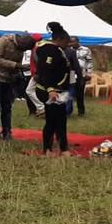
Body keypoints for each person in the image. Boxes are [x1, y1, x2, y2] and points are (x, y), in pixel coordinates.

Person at [33, 22, 72, 156]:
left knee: (60, 120)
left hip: (59, 90)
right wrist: (50, 89)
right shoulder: (49, 50)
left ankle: (63, 147)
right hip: (49, 90)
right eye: (66, 41)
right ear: (60, 39)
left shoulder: (57, 50)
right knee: (52, 120)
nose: (68, 44)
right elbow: (45, 71)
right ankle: (48, 149)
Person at [0, 32, 36, 141]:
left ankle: (7, 132)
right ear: (21, 42)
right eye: (24, 48)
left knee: (7, 107)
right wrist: (15, 65)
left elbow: (17, 62)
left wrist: (18, 71)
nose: (24, 51)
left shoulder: (21, 48)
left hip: (9, 79)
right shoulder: (3, 41)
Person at [71, 37, 93, 116]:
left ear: (77, 41)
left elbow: (89, 62)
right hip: (72, 74)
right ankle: (69, 110)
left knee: (80, 94)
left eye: (73, 42)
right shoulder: (69, 50)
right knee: (70, 93)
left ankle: (81, 112)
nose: (72, 44)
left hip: (82, 74)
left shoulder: (86, 49)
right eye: (71, 42)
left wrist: (89, 73)